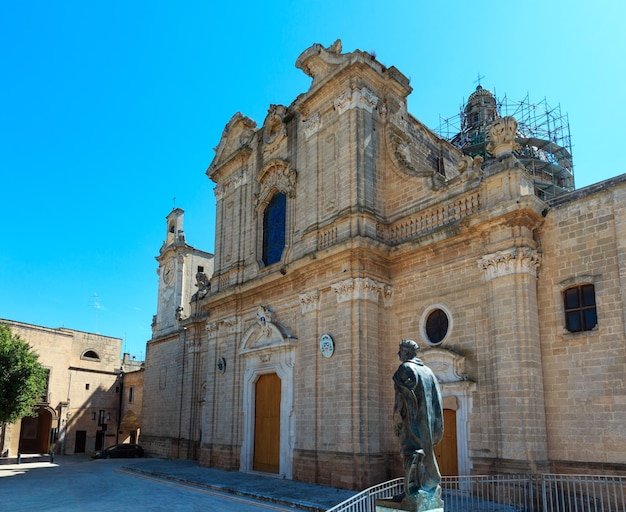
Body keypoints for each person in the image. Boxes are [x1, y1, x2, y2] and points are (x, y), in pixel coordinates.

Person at [393, 339, 444, 499]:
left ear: (407, 352)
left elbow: (403, 397)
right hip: (426, 425)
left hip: (411, 421)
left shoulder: (406, 368)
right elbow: (437, 401)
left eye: (400, 350)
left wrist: (397, 417)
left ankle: (411, 492)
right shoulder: (428, 371)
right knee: (423, 454)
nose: (398, 353)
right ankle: (425, 486)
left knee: (409, 454)